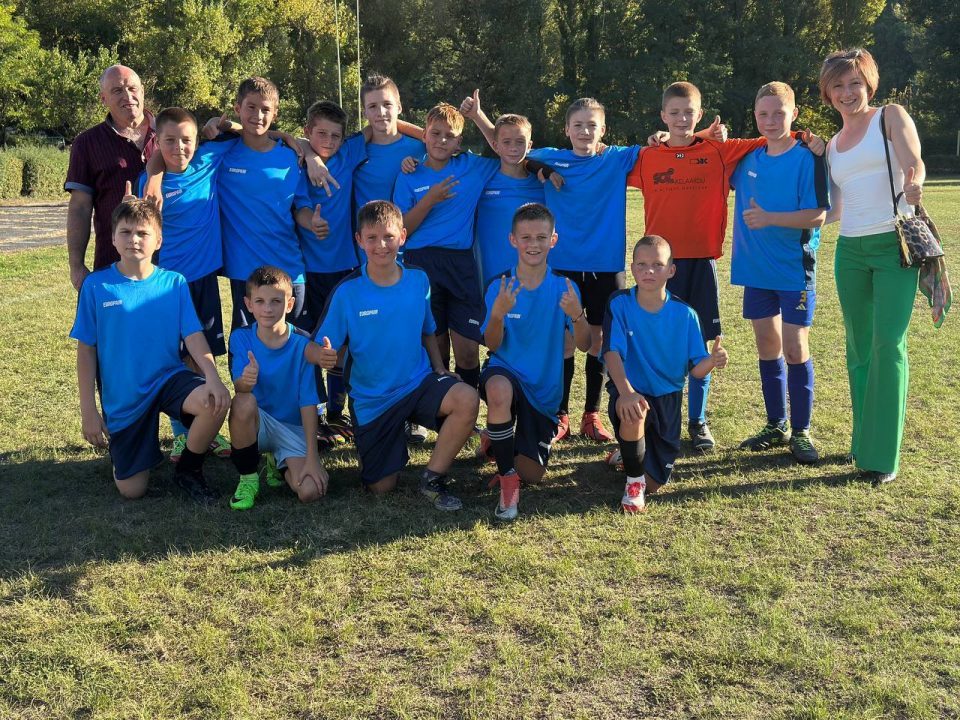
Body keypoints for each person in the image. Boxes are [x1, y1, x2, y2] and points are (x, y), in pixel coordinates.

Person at [311, 200, 480, 510]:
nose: (381, 245)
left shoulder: (418, 279)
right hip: (374, 399)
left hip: (417, 383)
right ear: (359, 240)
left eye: (388, 236)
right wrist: (321, 355)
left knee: (467, 399)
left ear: (402, 236)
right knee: (381, 488)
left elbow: (428, 330)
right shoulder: (347, 291)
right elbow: (316, 345)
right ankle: (388, 439)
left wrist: (439, 367)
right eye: (372, 238)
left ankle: (433, 477)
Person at [70, 199, 230, 502]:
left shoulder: (174, 283)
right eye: (126, 232)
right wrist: (89, 411)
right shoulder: (97, 286)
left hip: (168, 379)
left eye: (142, 233)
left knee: (215, 401)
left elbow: (193, 335)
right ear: (113, 238)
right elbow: (86, 350)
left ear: (158, 240)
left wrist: (213, 376)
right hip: (125, 396)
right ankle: (132, 449)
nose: (134, 239)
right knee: (133, 490)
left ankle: (189, 469)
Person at [820, 48, 926, 485]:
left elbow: (913, 161)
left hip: (893, 246)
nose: (848, 92)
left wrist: (915, 182)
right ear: (827, 93)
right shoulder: (832, 145)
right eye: (838, 86)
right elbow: (835, 210)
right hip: (850, 253)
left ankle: (883, 457)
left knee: (888, 345)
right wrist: (780, 222)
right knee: (859, 348)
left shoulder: (890, 116)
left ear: (869, 85)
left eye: (855, 83)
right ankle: (863, 442)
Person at [525, 98, 643, 443]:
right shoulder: (552, 158)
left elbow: (662, 146)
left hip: (606, 266)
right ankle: (560, 414)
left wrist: (682, 135)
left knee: (599, 340)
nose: (585, 131)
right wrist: (539, 168)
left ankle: (591, 414)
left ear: (603, 130)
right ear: (566, 129)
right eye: (578, 125)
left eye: (592, 125)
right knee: (563, 341)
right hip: (563, 266)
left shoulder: (616, 158)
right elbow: (515, 151)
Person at [730, 82, 829, 464]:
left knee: (794, 348)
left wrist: (770, 218)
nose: (770, 121)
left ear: (794, 115)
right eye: (763, 114)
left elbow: (817, 215)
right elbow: (706, 153)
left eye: (779, 113)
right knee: (767, 346)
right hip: (756, 271)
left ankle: (801, 430)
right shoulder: (748, 159)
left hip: (793, 271)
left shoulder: (807, 157)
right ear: (755, 116)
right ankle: (776, 424)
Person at [131, 106, 233, 462]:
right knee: (176, 357)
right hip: (169, 287)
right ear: (157, 142)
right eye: (170, 141)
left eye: (186, 140)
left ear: (197, 141)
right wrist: (153, 175)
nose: (179, 148)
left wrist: (214, 127)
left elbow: (251, 131)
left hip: (203, 279)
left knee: (203, 356)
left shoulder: (208, 160)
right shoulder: (149, 185)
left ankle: (208, 429)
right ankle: (180, 433)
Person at [480, 203, 591, 520]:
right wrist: (498, 314)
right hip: (505, 372)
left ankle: (498, 441)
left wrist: (577, 316)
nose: (533, 244)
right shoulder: (499, 286)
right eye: (526, 237)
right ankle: (507, 480)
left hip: (543, 392)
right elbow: (492, 344)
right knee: (499, 390)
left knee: (534, 474)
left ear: (553, 240)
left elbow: (585, 345)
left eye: (541, 237)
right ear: (513, 240)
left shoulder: (565, 287)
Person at [603, 235, 728, 513]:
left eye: (657, 265)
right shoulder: (620, 303)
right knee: (635, 410)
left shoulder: (686, 314)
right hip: (631, 391)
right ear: (632, 268)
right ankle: (633, 484)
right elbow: (611, 353)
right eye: (642, 264)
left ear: (671, 270)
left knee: (655, 483)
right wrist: (626, 392)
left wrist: (711, 360)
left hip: (668, 398)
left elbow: (696, 369)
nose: (649, 271)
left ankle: (628, 454)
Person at [392, 102, 501, 390]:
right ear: (424, 135)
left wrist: (477, 115)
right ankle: (440, 408)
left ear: (459, 142)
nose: (441, 140)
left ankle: (469, 406)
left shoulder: (471, 166)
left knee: (468, 351)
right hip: (420, 263)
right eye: (435, 133)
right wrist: (430, 199)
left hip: (460, 263)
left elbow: (503, 146)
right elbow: (401, 230)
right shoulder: (409, 173)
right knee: (435, 347)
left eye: (449, 136)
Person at [214, 76, 316, 331]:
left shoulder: (291, 156)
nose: (258, 115)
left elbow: (300, 207)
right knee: (247, 346)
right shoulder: (223, 153)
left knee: (298, 344)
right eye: (251, 107)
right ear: (238, 108)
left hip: (288, 266)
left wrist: (311, 221)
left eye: (265, 109)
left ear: (275, 113)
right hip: (244, 272)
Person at [227, 266, 328, 511]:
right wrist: (246, 380)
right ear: (248, 305)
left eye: (276, 301)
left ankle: (278, 462)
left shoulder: (303, 343)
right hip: (259, 424)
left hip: (293, 428)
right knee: (243, 401)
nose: (268, 309)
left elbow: (308, 402)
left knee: (310, 491)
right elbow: (239, 387)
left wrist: (313, 458)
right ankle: (248, 478)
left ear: (290, 304)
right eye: (260, 301)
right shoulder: (241, 338)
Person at [296, 100, 367, 444]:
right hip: (309, 271)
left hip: (345, 268)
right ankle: (319, 414)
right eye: (320, 134)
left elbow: (387, 124)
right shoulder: (297, 163)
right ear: (307, 132)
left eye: (335, 135)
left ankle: (339, 413)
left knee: (343, 344)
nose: (328, 141)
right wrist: (312, 223)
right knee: (311, 343)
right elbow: (299, 208)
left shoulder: (349, 154)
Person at [65, 65, 157, 290]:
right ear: (103, 99)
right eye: (117, 91)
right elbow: (79, 208)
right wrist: (76, 266)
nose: (127, 96)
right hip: (113, 266)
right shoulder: (87, 143)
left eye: (132, 88)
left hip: (173, 265)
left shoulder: (171, 134)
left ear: (142, 91)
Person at [457, 94, 549, 286]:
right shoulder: (482, 177)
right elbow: (440, 149)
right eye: (506, 142)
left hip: (535, 279)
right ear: (495, 145)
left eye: (520, 142)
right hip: (491, 278)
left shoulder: (542, 181)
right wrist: (412, 161)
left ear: (529, 145)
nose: (513, 148)